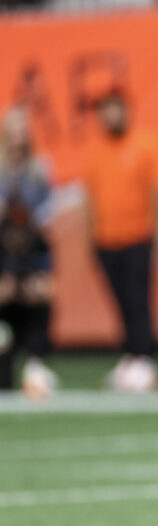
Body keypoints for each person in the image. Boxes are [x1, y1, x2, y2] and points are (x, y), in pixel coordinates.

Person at [81, 89, 158, 393]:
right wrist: (90, 238)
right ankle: (130, 357)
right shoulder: (95, 150)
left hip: (138, 237)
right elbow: (90, 198)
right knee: (119, 302)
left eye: (116, 109)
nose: (112, 116)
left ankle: (145, 358)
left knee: (138, 300)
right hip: (106, 240)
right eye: (106, 111)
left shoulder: (144, 144)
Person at [0, 106, 58, 398]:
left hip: (30, 261)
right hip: (3, 262)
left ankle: (36, 365)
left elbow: (45, 232)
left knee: (41, 300)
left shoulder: (39, 171)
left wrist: (44, 273)